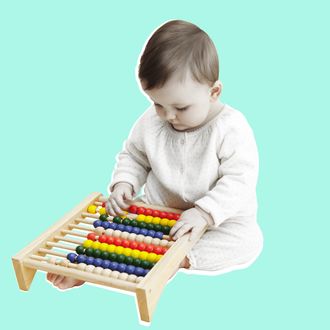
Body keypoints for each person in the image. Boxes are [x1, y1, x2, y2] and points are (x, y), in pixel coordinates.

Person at [47, 19, 263, 290]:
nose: (168, 116)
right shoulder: (152, 121)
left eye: (181, 107)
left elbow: (240, 180)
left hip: (217, 222)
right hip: (160, 218)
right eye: (157, 104)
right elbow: (134, 156)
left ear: (214, 92)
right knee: (120, 228)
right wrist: (125, 183)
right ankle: (88, 265)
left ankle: (179, 259)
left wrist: (205, 214)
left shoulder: (231, 128)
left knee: (247, 241)